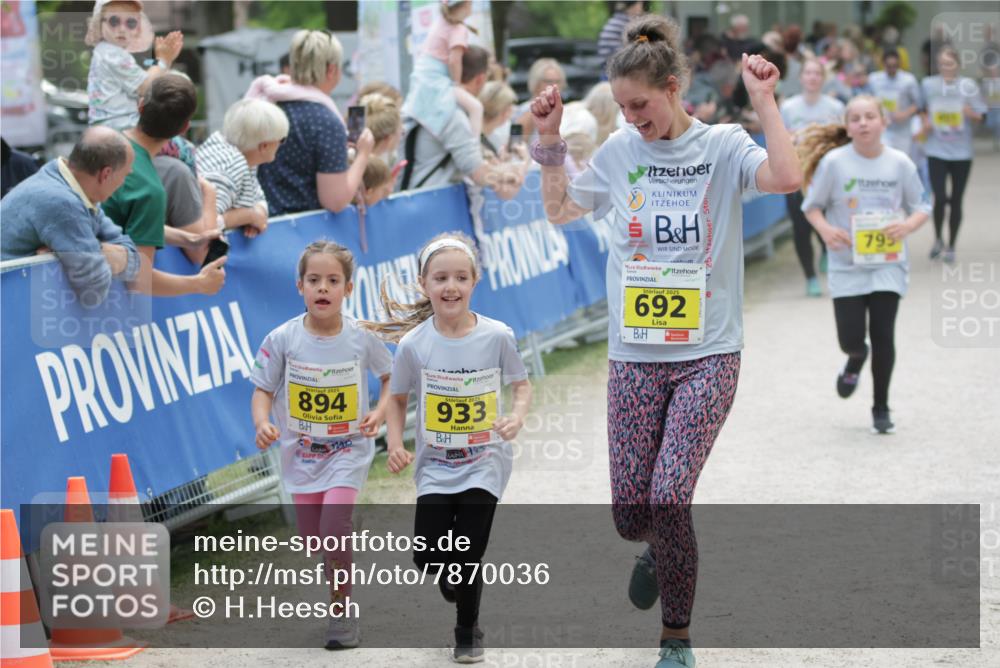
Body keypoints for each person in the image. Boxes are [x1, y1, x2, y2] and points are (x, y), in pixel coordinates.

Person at [530, 15, 801, 668]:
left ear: (675, 87)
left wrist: (764, 101)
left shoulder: (724, 147)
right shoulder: (622, 153)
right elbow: (561, 209)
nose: (631, 118)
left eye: (641, 105)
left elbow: (787, 178)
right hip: (634, 358)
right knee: (633, 514)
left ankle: (676, 638)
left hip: (708, 354)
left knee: (670, 495)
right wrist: (546, 141)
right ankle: (661, 544)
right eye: (622, 107)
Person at [371, 232, 532, 664]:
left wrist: (515, 416)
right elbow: (398, 398)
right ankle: (450, 576)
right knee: (427, 554)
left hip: (485, 460)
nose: (451, 286)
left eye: (461, 277)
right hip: (436, 465)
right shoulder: (413, 345)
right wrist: (393, 441)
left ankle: (467, 630)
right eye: (441, 277)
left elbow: (521, 385)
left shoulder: (497, 335)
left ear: (475, 281)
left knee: (468, 548)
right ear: (424, 284)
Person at [250, 241, 392, 650]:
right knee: (314, 540)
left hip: (348, 451)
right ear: (299, 286)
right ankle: (337, 531)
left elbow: (390, 378)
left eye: (333, 280)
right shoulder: (282, 339)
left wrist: (380, 411)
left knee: (333, 531)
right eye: (314, 280)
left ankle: (341, 611)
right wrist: (262, 422)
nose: (323, 288)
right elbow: (262, 389)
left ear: (348, 288)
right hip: (301, 455)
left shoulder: (362, 338)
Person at [799, 95, 930, 434]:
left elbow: (922, 206)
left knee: (884, 335)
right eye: (855, 118)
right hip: (846, 264)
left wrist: (907, 226)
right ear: (848, 126)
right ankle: (856, 357)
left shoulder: (900, 163)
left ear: (883, 122)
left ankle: (881, 407)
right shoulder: (834, 162)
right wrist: (827, 231)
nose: (863, 123)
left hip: (887, 264)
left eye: (870, 116)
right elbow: (812, 207)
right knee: (851, 339)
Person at [102, 74, 227, 296]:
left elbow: (121, 224)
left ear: (140, 107)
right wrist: (199, 283)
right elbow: (139, 280)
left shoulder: (99, 142)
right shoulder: (149, 188)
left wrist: (189, 238)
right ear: (184, 128)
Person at [1, 126, 140, 305]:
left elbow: (134, 258)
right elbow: (94, 292)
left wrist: (77, 251)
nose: (123, 183)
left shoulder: (69, 182)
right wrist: (86, 253)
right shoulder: (62, 202)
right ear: (106, 174)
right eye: (125, 176)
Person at [254, 30, 374, 216]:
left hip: (261, 227)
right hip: (305, 230)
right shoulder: (326, 122)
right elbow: (334, 200)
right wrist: (363, 155)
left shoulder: (266, 105)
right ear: (332, 70)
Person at [400, 46, 525, 199]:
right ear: (480, 79)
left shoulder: (431, 103)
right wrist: (515, 169)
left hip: (416, 198)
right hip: (430, 205)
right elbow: (478, 173)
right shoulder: (452, 115)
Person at [780, 58, 846, 296]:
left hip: (826, 177)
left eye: (817, 73)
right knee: (800, 229)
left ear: (823, 78)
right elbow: (779, 138)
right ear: (801, 78)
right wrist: (793, 138)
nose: (812, 77)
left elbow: (842, 142)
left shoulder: (835, 107)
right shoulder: (788, 108)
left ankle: (827, 252)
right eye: (807, 73)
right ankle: (810, 276)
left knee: (825, 222)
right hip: (798, 176)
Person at [920, 46, 988, 262]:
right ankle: (938, 238)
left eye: (950, 64)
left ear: (958, 65)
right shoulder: (928, 85)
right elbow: (921, 109)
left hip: (961, 153)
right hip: (936, 149)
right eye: (942, 64)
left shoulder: (968, 86)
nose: (946, 68)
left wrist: (971, 114)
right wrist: (926, 123)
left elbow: (983, 115)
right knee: (939, 197)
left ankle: (952, 245)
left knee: (956, 199)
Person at [196, 98, 289, 239]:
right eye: (281, 140)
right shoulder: (229, 168)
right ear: (264, 146)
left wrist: (255, 215)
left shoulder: (243, 155)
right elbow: (205, 226)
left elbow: (259, 198)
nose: (281, 144)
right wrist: (249, 215)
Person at [85, 0, 183, 129]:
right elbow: (144, 86)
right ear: (99, 25)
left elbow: (142, 63)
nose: (122, 29)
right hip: (118, 129)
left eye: (130, 23)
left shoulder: (106, 50)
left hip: (108, 127)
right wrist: (163, 60)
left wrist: (160, 60)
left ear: (138, 28)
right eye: (114, 21)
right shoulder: (113, 54)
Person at [402, 0, 484, 140]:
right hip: (436, 79)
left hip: (423, 75)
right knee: (476, 107)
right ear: (464, 6)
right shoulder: (458, 29)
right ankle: (473, 145)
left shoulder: (441, 21)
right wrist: (457, 84)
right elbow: (454, 60)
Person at [153, 155, 220, 265]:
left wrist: (192, 239)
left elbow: (144, 226)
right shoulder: (178, 169)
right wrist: (209, 192)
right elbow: (202, 255)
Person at [867, 49, 921, 156]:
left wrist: (905, 114)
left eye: (895, 66)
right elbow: (868, 100)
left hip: (903, 130)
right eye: (889, 66)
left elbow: (918, 104)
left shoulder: (908, 80)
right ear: (883, 64)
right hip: (883, 128)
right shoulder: (874, 79)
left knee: (901, 159)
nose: (892, 69)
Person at [598, 1, 648, 71]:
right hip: (613, 69)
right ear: (634, 6)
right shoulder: (626, 23)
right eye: (640, 4)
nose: (641, 8)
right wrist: (648, 37)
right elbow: (636, 40)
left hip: (607, 67)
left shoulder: (615, 20)